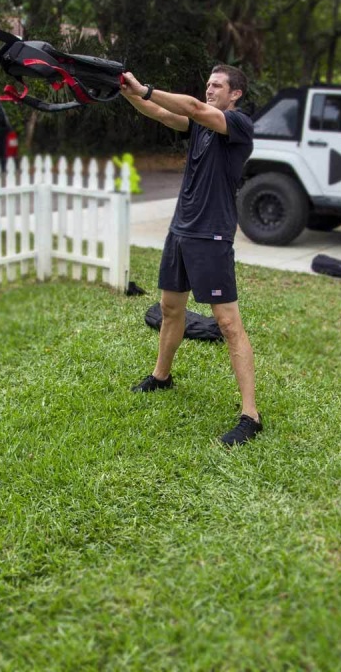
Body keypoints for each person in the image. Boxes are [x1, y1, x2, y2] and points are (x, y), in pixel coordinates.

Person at [120, 66, 260, 446]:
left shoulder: (238, 125)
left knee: (228, 324)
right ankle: (162, 376)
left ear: (235, 95)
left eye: (218, 85)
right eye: (208, 83)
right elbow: (165, 114)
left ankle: (251, 415)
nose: (210, 88)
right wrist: (126, 91)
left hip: (211, 234)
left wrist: (146, 86)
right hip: (181, 229)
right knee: (169, 308)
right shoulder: (198, 125)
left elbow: (196, 108)